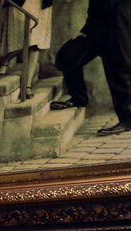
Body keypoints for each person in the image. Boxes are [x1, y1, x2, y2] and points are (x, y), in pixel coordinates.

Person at [50, 0, 131, 136]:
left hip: (118, 27)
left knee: (119, 73)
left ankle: (127, 120)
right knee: (69, 56)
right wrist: (87, 29)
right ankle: (79, 98)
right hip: (97, 29)